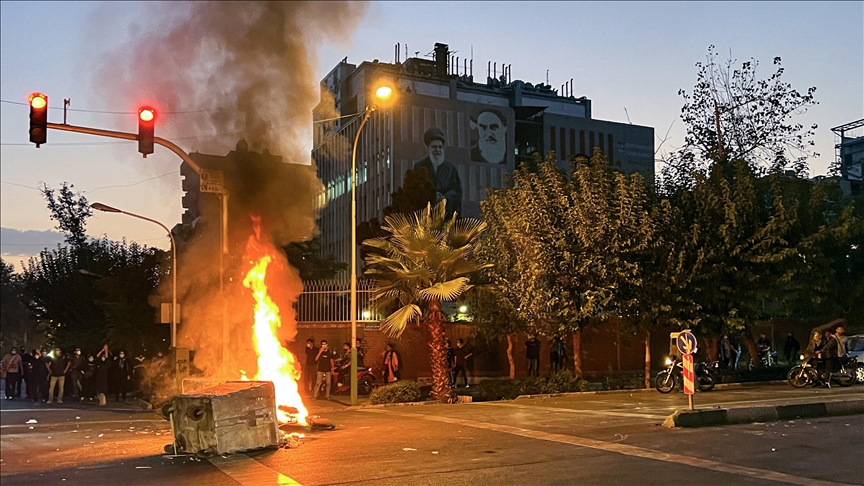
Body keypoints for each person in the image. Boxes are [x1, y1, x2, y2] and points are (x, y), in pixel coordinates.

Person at [413, 127, 462, 217]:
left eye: (440, 147)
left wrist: (444, 198)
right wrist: (433, 195)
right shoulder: (419, 166)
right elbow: (416, 189)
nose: (438, 150)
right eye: (434, 147)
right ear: (428, 148)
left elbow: (456, 191)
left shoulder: (450, 169)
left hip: (446, 215)